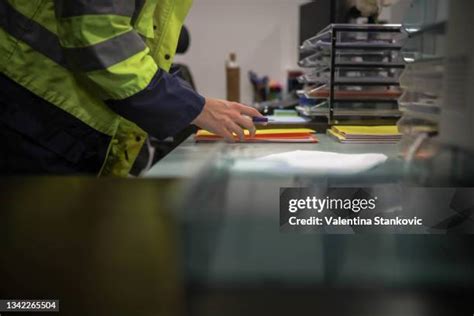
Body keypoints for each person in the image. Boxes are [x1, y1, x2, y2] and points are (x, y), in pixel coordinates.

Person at [0, 0, 263, 176]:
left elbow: (142, 43)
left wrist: (190, 102)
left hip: (63, 118)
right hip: (30, 112)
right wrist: (193, 107)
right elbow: (98, 33)